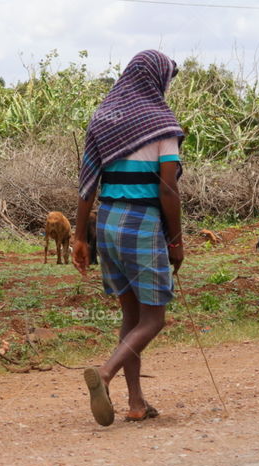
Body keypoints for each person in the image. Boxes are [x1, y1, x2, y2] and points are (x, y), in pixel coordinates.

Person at [72, 49, 184, 426]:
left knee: (131, 316)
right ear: (157, 79)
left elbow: (87, 184)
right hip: (142, 225)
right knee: (153, 319)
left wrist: (78, 237)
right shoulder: (162, 124)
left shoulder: (104, 119)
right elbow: (168, 191)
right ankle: (104, 374)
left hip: (106, 222)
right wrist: (176, 240)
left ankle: (136, 402)